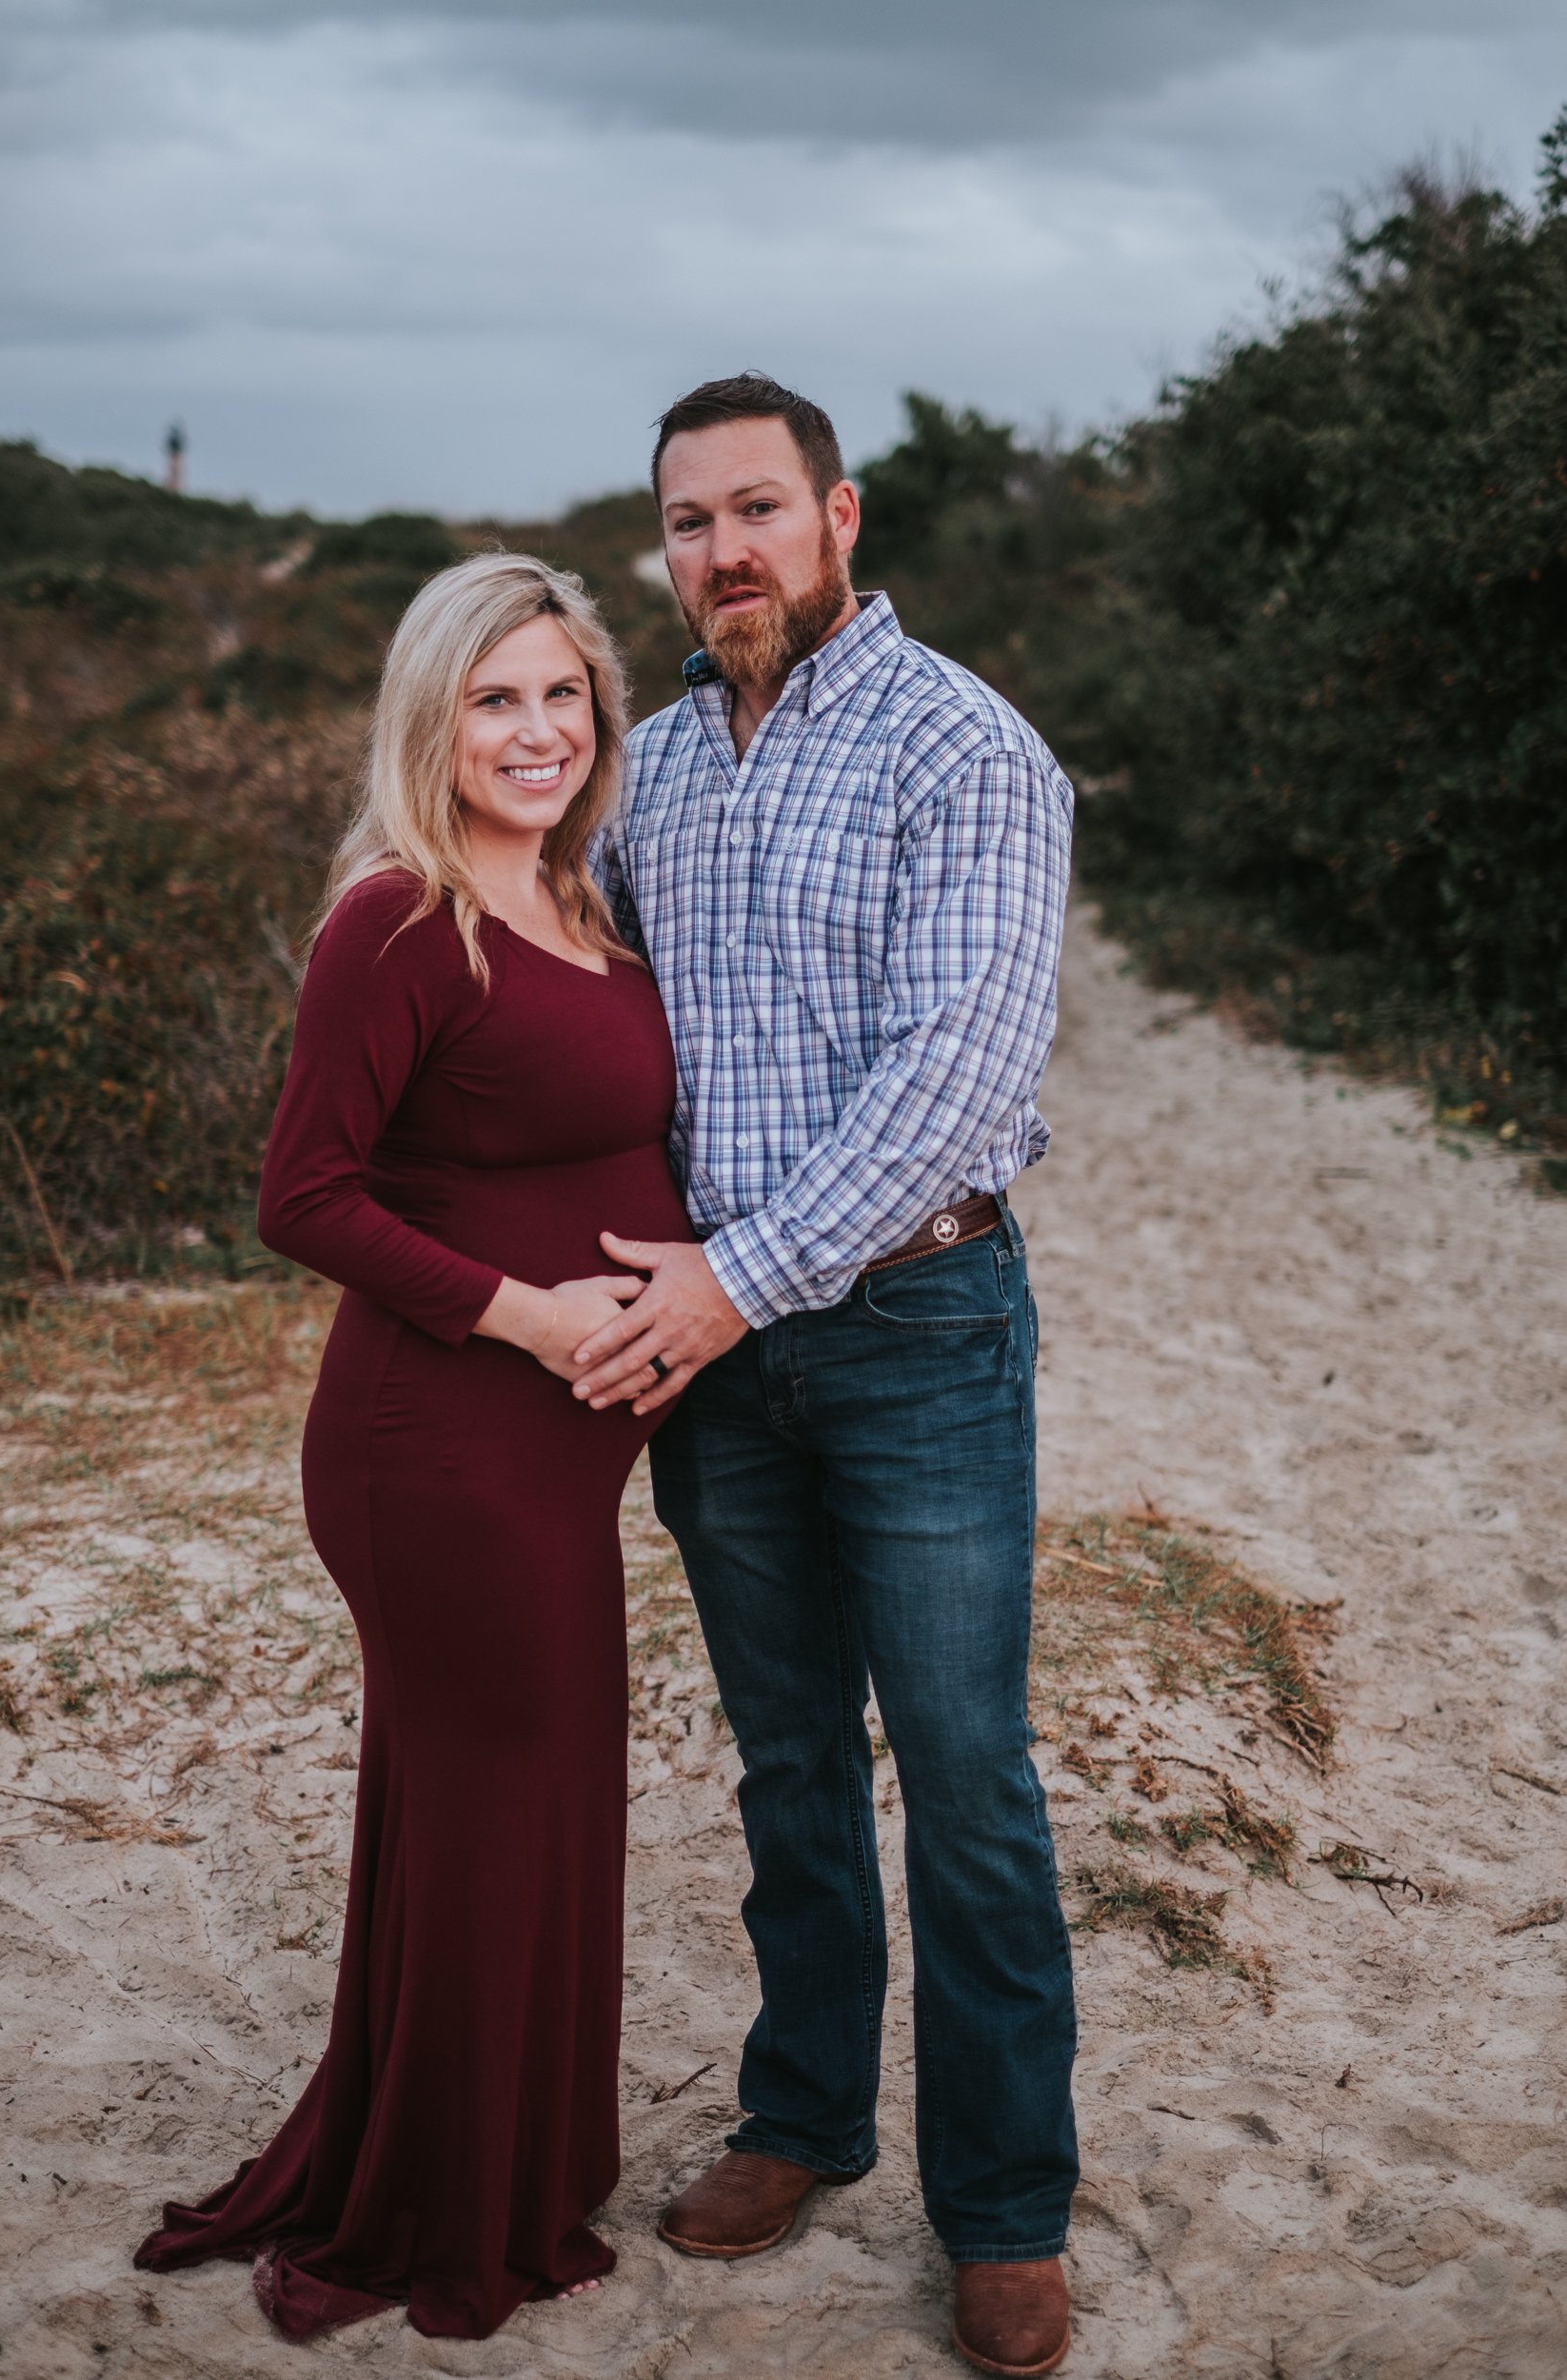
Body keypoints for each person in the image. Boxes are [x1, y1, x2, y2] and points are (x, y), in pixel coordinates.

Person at [575, 373, 1080, 2378]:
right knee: (787, 1758)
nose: (725, 551)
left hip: (916, 1325)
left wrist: (737, 1281)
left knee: (963, 1776)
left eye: (757, 508)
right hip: (712, 1357)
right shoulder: (652, 771)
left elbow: (956, 1075)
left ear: (839, 516)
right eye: (688, 521)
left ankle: (1006, 2207)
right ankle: (801, 2113)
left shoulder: (967, 745)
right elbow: (595, 1026)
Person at [134, 553, 689, 2340]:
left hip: (553, 1466)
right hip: (438, 1449)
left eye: (560, 693)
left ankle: (505, 2165)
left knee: (524, 1812)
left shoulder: (586, 901)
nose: (535, 731)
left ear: (600, 710)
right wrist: (532, 1316)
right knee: (494, 1821)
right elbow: (303, 1197)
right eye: (491, 699)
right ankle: (442, 2208)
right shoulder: (398, 919)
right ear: (428, 723)